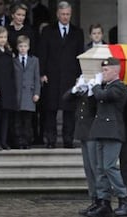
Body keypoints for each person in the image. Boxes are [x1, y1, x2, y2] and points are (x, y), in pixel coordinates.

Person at [86, 57, 127, 217]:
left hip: (113, 131)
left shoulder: (118, 87)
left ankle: (124, 199)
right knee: (100, 169)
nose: (103, 73)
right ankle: (103, 201)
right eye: (103, 70)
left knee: (109, 167)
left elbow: (104, 96)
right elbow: (93, 102)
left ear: (115, 71)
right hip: (100, 130)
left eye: (106, 70)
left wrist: (97, 86)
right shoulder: (106, 88)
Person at [38, 1, 84, 148]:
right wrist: (42, 72)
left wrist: (79, 75)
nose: (65, 17)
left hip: (70, 76)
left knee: (69, 110)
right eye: (63, 14)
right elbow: (43, 53)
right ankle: (50, 140)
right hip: (51, 75)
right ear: (58, 14)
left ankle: (68, 140)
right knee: (50, 109)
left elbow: (79, 54)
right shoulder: (48, 31)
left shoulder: (78, 32)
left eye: (68, 14)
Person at [62, 76, 98, 216]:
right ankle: (94, 199)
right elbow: (66, 98)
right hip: (83, 133)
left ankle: (101, 200)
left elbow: (97, 104)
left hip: (93, 133)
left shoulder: (96, 90)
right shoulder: (82, 91)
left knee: (95, 169)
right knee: (88, 169)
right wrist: (76, 88)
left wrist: (93, 89)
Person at [13, 35, 40, 149]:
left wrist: (37, 93)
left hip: (29, 94)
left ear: (28, 47)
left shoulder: (34, 60)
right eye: (21, 46)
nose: (23, 48)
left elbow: (36, 78)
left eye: (25, 46)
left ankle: (27, 141)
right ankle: (19, 141)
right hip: (17, 95)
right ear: (17, 47)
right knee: (18, 121)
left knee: (28, 121)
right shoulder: (13, 60)